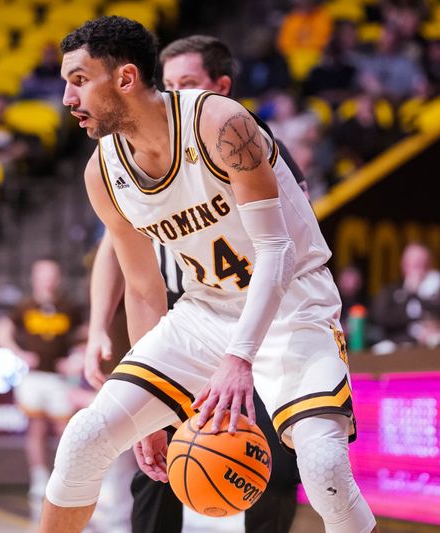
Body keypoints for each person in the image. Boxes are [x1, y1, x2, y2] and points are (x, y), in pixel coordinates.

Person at [43, 16, 377, 533]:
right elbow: (144, 288)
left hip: (293, 304)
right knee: (86, 438)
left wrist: (238, 359)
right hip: (206, 308)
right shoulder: (101, 171)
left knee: (324, 467)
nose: (67, 97)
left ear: (126, 78)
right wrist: (149, 411)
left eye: (79, 79)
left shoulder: (220, 122)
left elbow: (276, 251)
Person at [84, 34, 303, 533]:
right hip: (176, 314)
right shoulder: (134, 154)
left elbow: (288, 237)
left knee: (267, 454)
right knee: (154, 457)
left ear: (219, 87)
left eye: (188, 83)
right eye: (169, 83)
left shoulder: (244, 139)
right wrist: (99, 324)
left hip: (252, 314)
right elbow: (112, 247)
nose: (174, 92)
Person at [0, 258, 84, 499]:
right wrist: (19, 354)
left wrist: (76, 358)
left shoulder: (69, 307)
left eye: (52, 275)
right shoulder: (24, 307)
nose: (48, 281)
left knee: (65, 428)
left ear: (59, 278)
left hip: (61, 379)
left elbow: (88, 335)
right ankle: (39, 477)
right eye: (43, 275)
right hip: (34, 377)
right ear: (34, 278)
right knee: (37, 428)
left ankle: (65, 476)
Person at [370, 242, 440, 346]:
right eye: (416, 265)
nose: (421, 270)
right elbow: (380, 317)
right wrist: (411, 292)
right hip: (398, 342)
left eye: (425, 265)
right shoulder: (391, 291)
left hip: (431, 342)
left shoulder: (439, 284)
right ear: (404, 265)